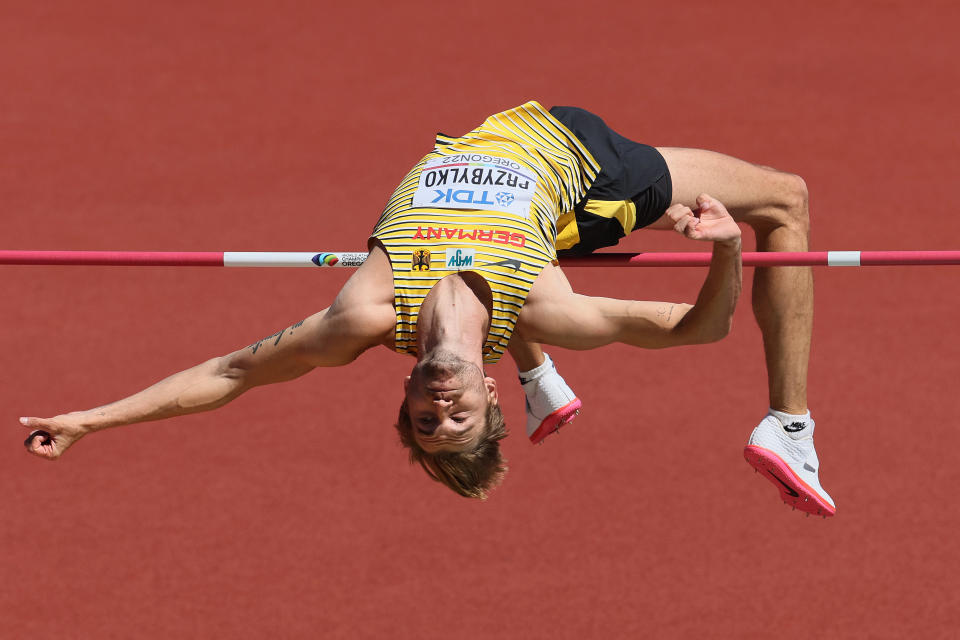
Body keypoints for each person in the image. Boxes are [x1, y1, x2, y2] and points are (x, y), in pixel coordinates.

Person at [20, 101, 831, 516]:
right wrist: (726, 246)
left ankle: (542, 382)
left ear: (405, 401)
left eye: (425, 423)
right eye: (459, 421)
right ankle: (788, 428)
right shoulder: (544, 304)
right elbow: (700, 328)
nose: (441, 411)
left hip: (488, 135)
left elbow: (233, 371)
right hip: (583, 164)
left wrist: (93, 420)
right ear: (482, 397)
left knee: (493, 299)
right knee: (784, 200)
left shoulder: (367, 315)